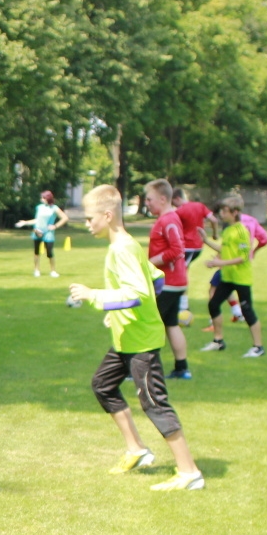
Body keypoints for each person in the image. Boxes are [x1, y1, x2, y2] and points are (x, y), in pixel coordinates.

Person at [68, 184, 203, 491]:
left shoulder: (122, 249)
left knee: (155, 404)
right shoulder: (126, 245)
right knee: (102, 385)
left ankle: (189, 472)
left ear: (107, 214)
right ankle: (137, 450)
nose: (87, 224)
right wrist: (116, 311)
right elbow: (156, 280)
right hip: (125, 337)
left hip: (141, 342)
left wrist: (95, 296)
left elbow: (138, 294)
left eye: (90, 218)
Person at [199, 195, 264, 358]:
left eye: (224, 211)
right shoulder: (228, 230)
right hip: (228, 277)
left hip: (241, 278)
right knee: (213, 304)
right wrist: (206, 240)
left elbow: (243, 257)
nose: (221, 214)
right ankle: (218, 341)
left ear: (234, 212)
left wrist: (219, 264)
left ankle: (258, 347)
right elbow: (224, 249)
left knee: (247, 311)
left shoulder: (242, 231)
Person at [142, 179, 191, 380]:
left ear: (163, 199)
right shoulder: (167, 219)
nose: (147, 203)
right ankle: (182, 368)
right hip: (174, 282)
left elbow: (177, 250)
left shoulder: (168, 220)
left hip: (168, 283)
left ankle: (144, 371)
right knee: (171, 324)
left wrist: (149, 263)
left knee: (148, 324)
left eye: (149, 199)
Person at [17, 190, 68, 277]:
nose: (42, 199)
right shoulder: (39, 207)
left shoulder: (54, 208)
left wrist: (55, 226)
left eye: (43, 198)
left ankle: (53, 271)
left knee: (49, 252)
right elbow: (37, 220)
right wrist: (25, 222)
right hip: (37, 231)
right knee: (36, 252)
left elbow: (65, 218)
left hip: (48, 233)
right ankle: (36, 270)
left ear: (48, 198)